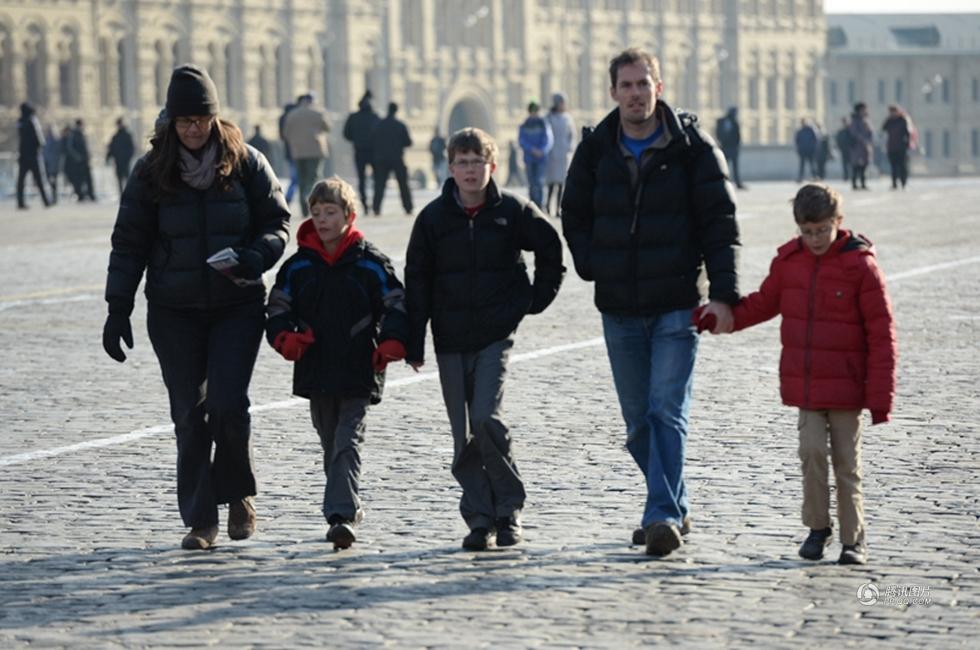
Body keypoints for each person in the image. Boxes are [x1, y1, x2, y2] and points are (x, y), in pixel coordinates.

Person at [102, 64, 291, 550]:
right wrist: (117, 306)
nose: (193, 129)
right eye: (184, 121)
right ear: (170, 122)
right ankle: (201, 518)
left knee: (228, 405)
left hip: (236, 304)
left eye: (201, 119)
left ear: (214, 118)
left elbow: (278, 222)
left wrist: (257, 255)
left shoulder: (246, 161)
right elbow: (129, 242)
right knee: (189, 413)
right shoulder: (150, 171)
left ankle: (239, 496)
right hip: (174, 309)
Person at [561, 48, 739, 557]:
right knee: (639, 422)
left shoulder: (692, 149)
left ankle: (660, 513)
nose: (636, 93)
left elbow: (720, 226)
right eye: (627, 85)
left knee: (666, 411)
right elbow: (572, 212)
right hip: (618, 305)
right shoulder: (596, 150)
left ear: (659, 87)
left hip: (676, 303)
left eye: (644, 84)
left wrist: (724, 296)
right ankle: (674, 502)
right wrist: (593, 261)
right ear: (613, 91)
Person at [713, 183, 896, 566]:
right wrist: (725, 318)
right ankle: (817, 528)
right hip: (808, 387)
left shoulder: (860, 266)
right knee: (811, 454)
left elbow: (882, 335)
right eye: (807, 231)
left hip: (848, 388)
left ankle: (853, 540)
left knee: (847, 463)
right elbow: (763, 304)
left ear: (838, 222)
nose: (814, 239)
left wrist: (880, 398)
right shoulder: (789, 264)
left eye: (822, 230)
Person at [405, 127, 564, 550]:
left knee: (485, 418)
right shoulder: (433, 219)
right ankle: (479, 517)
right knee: (463, 434)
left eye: (478, 162)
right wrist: (413, 339)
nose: (470, 170)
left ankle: (508, 509)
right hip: (450, 337)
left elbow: (550, 248)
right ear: (450, 167)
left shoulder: (511, 211)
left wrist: (532, 300)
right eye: (462, 162)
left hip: (495, 332)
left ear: (492, 166)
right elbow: (416, 281)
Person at [266, 177, 408, 550]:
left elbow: (396, 302)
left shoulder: (370, 262)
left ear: (349, 215)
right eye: (316, 213)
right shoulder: (298, 266)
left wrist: (392, 341)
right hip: (316, 367)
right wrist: (285, 338)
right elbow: (278, 307)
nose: (323, 219)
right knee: (330, 442)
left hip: (360, 366)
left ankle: (340, 517)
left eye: (331, 212)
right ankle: (350, 505)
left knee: (348, 440)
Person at [284, 93, 331, 217]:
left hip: (298, 151)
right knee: (314, 177)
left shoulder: (292, 114)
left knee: (301, 179)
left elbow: (286, 133)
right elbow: (327, 128)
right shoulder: (318, 113)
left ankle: (304, 207)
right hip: (315, 150)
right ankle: (309, 197)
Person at [370, 102, 413, 216]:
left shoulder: (378, 125)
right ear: (396, 111)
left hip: (381, 159)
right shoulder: (400, 125)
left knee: (379, 185)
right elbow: (408, 142)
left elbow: (372, 140)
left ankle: (376, 208)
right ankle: (408, 207)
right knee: (403, 184)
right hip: (397, 158)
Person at [343, 91, 381, 213]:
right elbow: (381, 134)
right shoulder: (375, 117)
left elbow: (346, 134)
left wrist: (356, 139)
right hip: (374, 152)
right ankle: (376, 205)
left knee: (361, 179)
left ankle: (364, 204)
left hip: (359, 151)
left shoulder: (353, 117)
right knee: (377, 179)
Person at [518, 101, 553, 210]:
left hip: (541, 158)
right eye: (532, 111)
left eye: (536, 111)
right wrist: (531, 149)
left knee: (540, 182)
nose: (534, 113)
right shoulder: (524, 125)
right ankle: (532, 205)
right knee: (532, 183)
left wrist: (541, 150)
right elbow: (521, 140)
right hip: (529, 158)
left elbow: (548, 140)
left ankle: (540, 205)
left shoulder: (543, 124)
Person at [15, 102, 51, 209]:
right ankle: (46, 201)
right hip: (33, 156)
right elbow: (39, 139)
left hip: (23, 155)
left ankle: (20, 202)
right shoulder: (32, 121)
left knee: (21, 181)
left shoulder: (20, 121)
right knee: (39, 180)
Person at [544, 92, 575, 217]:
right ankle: (547, 206)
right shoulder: (549, 118)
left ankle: (557, 209)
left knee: (562, 184)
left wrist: (569, 148)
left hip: (563, 154)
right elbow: (546, 134)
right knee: (552, 183)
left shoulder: (567, 118)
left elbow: (572, 134)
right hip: (552, 154)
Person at [882, 105, 911, 190]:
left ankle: (903, 182)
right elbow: (883, 128)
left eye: (894, 112)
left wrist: (907, 144)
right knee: (893, 166)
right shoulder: (889, 121)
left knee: (902, 166)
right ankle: (894, 183)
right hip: (892, 147)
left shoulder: (903, 120)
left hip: (901, 147)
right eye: (891, 112)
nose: (893, 113)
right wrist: (888, 119)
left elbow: (908, 133)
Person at [715, 106, 745, 189]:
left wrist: (737, 145)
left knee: (735, 167)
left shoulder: (735, 122)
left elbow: (738, 135)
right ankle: (724, 182)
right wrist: (721, 142)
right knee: (724, 166)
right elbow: (718, 133)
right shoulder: (721, 121)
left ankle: (737, 183)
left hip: (734, 148)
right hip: (725, 147)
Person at [66, 119, 96, 201]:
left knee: (88, 178)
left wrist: (88, 155)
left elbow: (85, 147)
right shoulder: (74, 134)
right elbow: (70, 148)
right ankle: (81, 195)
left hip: (84, 160)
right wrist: (78, 157)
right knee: (79, 179)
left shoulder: (82, 134)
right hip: (78, 162)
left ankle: (90, 195)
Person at [278, 99, 300, 206]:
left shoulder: (282, 118)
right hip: (298, 151)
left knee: (294, 178)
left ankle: (289, 197)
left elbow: (282, 136)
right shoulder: (294, 118)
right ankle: (290, 197)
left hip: (290, 152)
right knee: (298, 178)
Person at [106, 117, 136, 194]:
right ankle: (122, 193)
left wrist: (129, 157)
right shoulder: (115, 136)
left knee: (127, 177)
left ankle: (129, 192)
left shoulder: (127, 135)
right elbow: (111, 148)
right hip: (118, 161)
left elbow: (132, 148)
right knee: (119, 178)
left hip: (125, 160)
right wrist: (108, 158)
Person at [848, 103, 873, 190]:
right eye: (863, 109)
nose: (865, 111)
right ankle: (854, 184)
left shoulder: (865, 119)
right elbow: (854, 132)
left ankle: (863, 183)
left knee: (864, 166)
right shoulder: (855, 120)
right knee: (856, 166)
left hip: (865, 147)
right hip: (857, 147)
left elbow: (870, 132)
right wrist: (863, 140)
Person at [42, 124, 63, 204]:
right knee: (51, 182)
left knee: (52, 183)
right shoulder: (49, 141)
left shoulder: (53, 141)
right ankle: (52, 198)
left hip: (51, 165)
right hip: (49, 165)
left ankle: (53, 198)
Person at [794, 118, 818, 183]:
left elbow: (815, 140)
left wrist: (814, 148)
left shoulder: (811, 130)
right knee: (802, 165)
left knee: (812, 164)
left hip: (810, 150)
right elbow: (797, 141)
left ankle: (815, 177)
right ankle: (800, 178)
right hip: (803, 151)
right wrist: (799, 149)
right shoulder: (800, 131)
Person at [834, 117, 852, 183]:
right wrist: (839, 147)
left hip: (851, 150)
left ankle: (851, 177)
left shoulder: (850, 131)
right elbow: (838, 140)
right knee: (845, 164)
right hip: (844, 150)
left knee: (851, 164)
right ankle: (846, 177)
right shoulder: (841, 132)